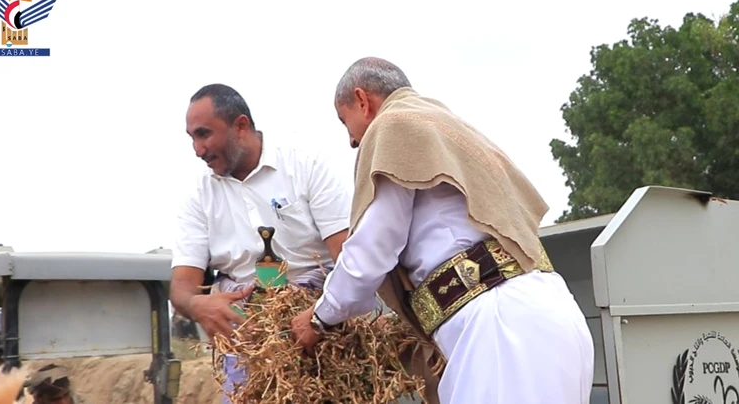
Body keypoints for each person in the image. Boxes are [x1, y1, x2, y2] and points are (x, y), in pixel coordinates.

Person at [291, 57, 595, 404]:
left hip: (501, 330)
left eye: (345, 122)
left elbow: (371, 249)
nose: (352, 141)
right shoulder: (449, 125)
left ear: (363, 100)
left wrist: (320, 317)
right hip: (550, 314)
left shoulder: (392, 126)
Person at [168, 83, 352, 402]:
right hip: (248, 344)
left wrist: (320, 314)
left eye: (204, 134)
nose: (198, 149)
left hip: (322, 331)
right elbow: (181, 288)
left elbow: (349, 257)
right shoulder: (199, 196)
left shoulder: (305, 166)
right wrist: (197, 304)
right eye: (192, 138)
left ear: (240, 126)